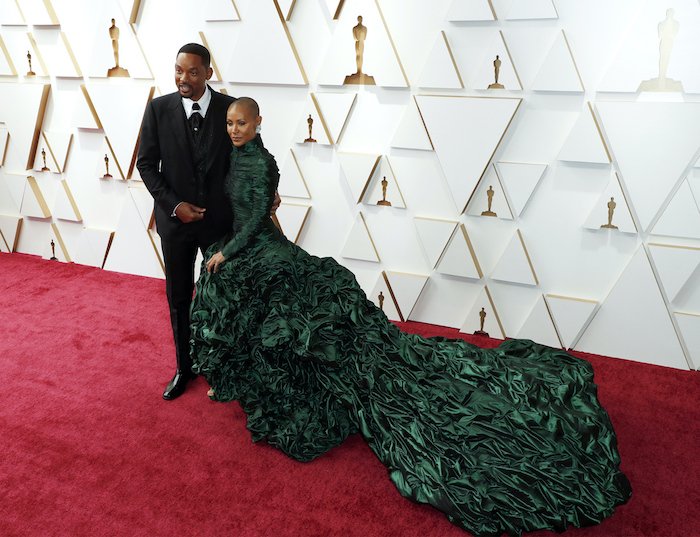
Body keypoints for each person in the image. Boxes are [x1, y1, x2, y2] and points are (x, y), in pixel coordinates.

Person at [190, 98, 631, 536]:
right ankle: (248, 381)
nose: (233, 129)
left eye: (241, 123)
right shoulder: (235, 156)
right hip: (261, 245)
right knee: (242, 297)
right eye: (230, 123)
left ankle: (282, 388)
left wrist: (229, 251)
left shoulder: (263, 163)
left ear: (258, 123)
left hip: (255, 246)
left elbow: (254, 220)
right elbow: (260, 211)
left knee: (266, 303)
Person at [137, 44, 280, 400]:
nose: (183, 79)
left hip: (220, 223)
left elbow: (252, 153)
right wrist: (174, 206)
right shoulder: (157, 109)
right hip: (176, 224)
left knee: (225, 297)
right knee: (178, 296)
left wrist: (269, 190)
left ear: (208, 74)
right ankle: (184, 367)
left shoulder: (229, 109)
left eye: (192, 72)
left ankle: (224, 364)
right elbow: (145, 164)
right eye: (178, 71)